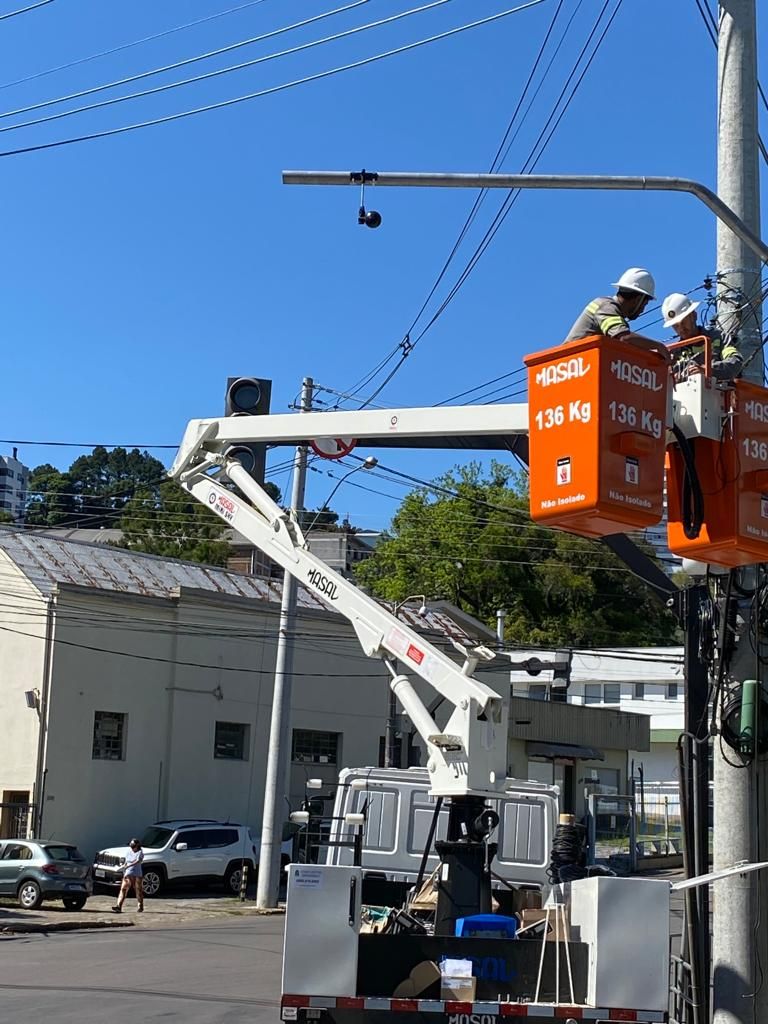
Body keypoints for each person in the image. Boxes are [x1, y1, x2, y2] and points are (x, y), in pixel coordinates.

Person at [564, 267, 671, 362]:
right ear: (638, 299)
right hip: (570, 365)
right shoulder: (605, 306)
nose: (643, 309)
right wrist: (658, 346)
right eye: (645, 304)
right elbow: (624, 337)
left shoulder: (611, 310)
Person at [661, 292, 743, 381]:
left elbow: (735, 362)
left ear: (694, 316)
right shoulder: (675, 352)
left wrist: (708, 370)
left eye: (684, 322)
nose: (681, 329)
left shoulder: (718, 338)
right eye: (676, 326)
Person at [113, 838, 144, 913]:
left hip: (137, 874)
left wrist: (129, 866)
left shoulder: (140, 852)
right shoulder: (129, 851)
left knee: (138, 890)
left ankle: (140, 905)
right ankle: (118, 906)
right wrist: (125, 867)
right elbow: (126, 861)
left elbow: (137, 861)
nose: (132, 848)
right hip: (128, 873)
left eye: (133, 846)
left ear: (137, 846)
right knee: (123, 889)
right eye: (131, 846)